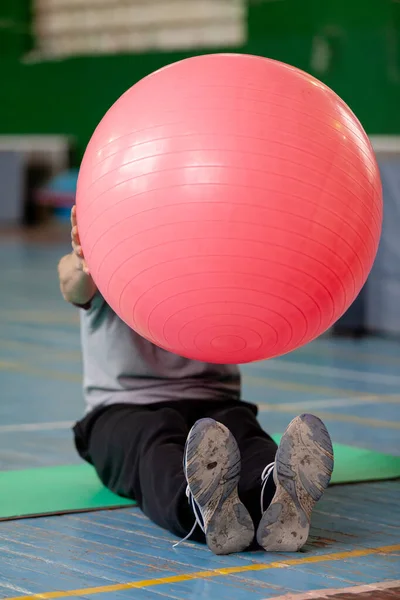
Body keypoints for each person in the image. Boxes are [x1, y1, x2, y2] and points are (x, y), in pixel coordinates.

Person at [58, 205, 334, 555]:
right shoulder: (102, 253)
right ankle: (199, 510)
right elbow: (72, 283)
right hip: (125, 407)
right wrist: (87, 263)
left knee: (243, 435)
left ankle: (274, 494)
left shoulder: (220, 249)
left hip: (214, 399)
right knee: (155, 440)